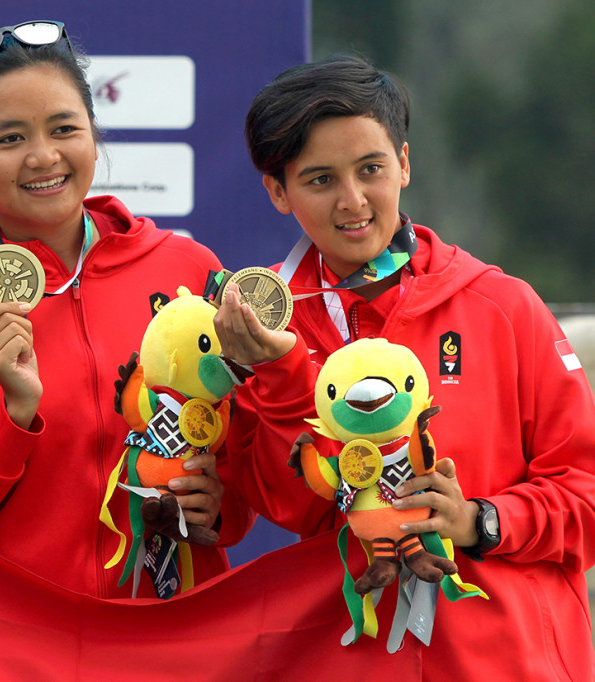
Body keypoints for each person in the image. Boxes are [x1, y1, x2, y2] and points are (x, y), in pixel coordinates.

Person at [213, 54, 595, 679]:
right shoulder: (266, 332)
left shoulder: (502, 307)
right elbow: (294, 512)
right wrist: (283, 379)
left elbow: (586, 493)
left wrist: (482, 520)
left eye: (371, 169)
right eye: (319, 180)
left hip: (505, 661)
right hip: (353, 658)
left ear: (405, 164)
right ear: (277, 191)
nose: (353, 201)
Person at [0, 20, 253, 598]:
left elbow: (242, 456)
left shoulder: (187, 270)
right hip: (10, 643)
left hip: (171, 634)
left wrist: (219, 502)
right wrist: (13, 419)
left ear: (93, 132)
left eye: (64, 128)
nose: (43, 156)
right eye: (9, 139)